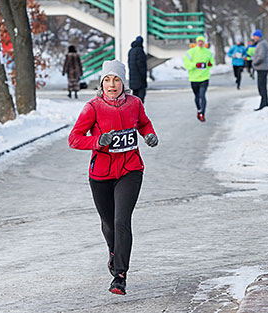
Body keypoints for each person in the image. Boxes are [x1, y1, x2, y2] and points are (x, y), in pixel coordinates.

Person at [68, 59, 158, 295]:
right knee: (109, 225)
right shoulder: (93, 107)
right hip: (101, 175)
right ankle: (112, 252)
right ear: (101, 83)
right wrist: (97, 141)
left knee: (121, 221)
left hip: (130, 170)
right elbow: (74, 138)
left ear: (123, 82)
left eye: (116, 79)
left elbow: (144, 124)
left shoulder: (135, 104)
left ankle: (120, 275)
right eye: (107, 80)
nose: (112, 84)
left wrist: (149, 135)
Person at [183, 35, 214, 122]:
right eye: (199, 41)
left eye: (202, 41)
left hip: (204, 77)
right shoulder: (191, 52)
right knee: (197, 96)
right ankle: (199, 109)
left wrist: (209, 64)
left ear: (204, 43)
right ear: (196, 42)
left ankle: (202, 114)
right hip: (194, 78)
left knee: (202, 95)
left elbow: (211, 62)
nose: (200, 43)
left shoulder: (208, 52)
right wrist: (195, 65)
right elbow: (186, 64)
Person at [252, 29, 268, 111]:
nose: (253, 38)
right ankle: (264, 103)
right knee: (261, 86)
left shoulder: (262, 44)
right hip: (262, 67)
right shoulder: (262, 43)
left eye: (254, 36)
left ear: (258, 36)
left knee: (262, 86)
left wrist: (255, 62)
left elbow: (261, 56)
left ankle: (264, 104)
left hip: (262, 67)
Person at [128, 36, 147, 103]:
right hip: (139, 79)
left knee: (134, 96)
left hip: (132, 78)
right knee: (141, 97)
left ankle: (134, 111)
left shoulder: (131, 51)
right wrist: (144, 78)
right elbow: (141, 66)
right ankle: (139, 111)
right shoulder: (140, 51)